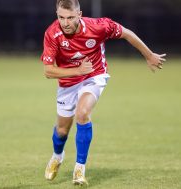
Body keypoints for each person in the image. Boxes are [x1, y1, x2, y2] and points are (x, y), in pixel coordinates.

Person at [41, 0, 166, 186]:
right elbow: (48, 71)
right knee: (61, 131)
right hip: (68, 82)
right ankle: (57, 157)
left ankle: (79, 170)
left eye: (70, 17)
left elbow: (127, 33)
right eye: (61, 17)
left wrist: (148, 55)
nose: (65, 22)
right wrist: (77, 71)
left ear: (80, 14)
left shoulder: (98, 26)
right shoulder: (52, 33)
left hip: (94, 76)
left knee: (82, 114)